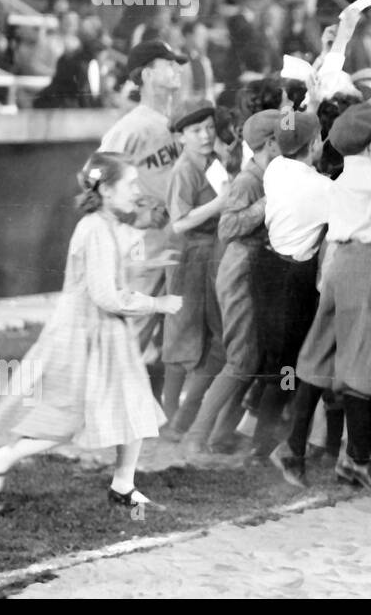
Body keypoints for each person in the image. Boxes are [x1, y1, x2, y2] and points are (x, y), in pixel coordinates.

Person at [0, 153, 183, 512]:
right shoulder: (93, 229)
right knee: (67, 416)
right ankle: (0, 460)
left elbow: (118, 258)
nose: (137, 191)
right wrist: (158, 304)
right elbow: (105, 296)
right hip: (83, 335)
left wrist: (149, 245)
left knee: (133, 403)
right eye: (130, 183)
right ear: (105, 189)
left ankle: (123, 485)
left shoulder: (105, 224)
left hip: (103, 334)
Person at [271, 93, 371, 489]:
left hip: (338, 263)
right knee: (360, 354)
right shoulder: (366, 169)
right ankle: (358, 459)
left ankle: (293, 447)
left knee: (319, 352)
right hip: (364, 263)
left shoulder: (346, 170)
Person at [182, 110, 280, 461]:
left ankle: (221, 434)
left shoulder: (266, 172)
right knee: (240, 360)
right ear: (270, 143)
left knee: (250, 359)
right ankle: (195, 437)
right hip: (240, 270)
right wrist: (265, 205)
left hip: (253, 269)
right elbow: (229, 226)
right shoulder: (249, 180)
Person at [97, 40, 187, 392]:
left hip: (174, 241)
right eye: (168, 64)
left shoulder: (176, 121)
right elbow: (95, 175)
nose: (176, 69)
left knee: (165, 335)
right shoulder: (131, 126)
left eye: (177, 63)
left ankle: (143, 410)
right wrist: (132, 217)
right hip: (145, 245)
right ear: (147, 74)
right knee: (136, 327)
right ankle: (103, 408)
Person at [247, 110, 328, 462]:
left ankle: (263, 434)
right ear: (314, 145)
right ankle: (264, 441)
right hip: (294, 278)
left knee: (276, 359)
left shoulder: (276, 168)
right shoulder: (320, 187)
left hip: (267, 268)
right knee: (290, 364)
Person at [159, 100, 230, 438]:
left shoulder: (213, 161)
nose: (205, 135)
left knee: (206, 333)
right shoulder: (184, 169)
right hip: (189, 256)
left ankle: (182, 415)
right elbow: (179, 223)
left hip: (211, 254)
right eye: (196, 130)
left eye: (209, 128)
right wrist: (218, 204)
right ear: (182, 136)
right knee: (182, 331)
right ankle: (171, 413)